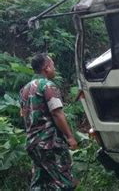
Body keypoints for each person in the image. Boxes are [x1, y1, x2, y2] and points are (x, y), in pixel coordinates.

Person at [19, 53, 78, 190]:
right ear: (46, 68)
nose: (54, 69)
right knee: (65, 183)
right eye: (53, 66)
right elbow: (57, 113)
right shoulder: (48, 85)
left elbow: (23, 114)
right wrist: (70, 137)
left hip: (33, 144)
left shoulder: (24, 90)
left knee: (40, 184)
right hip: (49, 143)